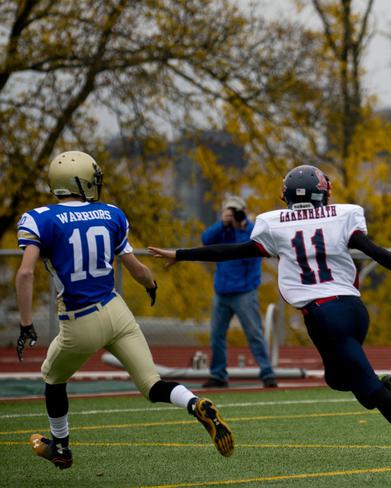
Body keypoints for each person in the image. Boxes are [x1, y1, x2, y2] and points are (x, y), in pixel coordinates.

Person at [149, 165, 391, 485]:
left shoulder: (273, 224)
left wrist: (182, 254)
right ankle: (386, 389)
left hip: (323, 316)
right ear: (324, 192)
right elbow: (372, 249)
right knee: (342, 380)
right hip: (353, 310)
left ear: (286, 195)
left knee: (365, 384)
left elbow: (231, 252)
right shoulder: (342, 215)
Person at [15, 151, 233, 470]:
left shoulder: (38, 218)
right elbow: (137, 269)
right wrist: (151, 285)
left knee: (52, 377)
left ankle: (60, 447)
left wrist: (25, 324)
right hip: (118, 312)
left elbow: (24, 273)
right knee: (151, 384)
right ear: (82, 181)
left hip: (80, 319)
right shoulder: (110, 213)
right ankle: (195, 403)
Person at [200, 195, 276, 388]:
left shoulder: (250, 230)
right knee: (217, 335)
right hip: (222, 291)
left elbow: (250, 249)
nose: (232, 215)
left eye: (235, 211)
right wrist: (222, 224)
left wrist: (242, 225)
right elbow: (206, 240)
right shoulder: (222, 231)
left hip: (245, 292)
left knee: (254, 333)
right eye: (229, 211)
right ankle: (218, 375)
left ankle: (267, 373)